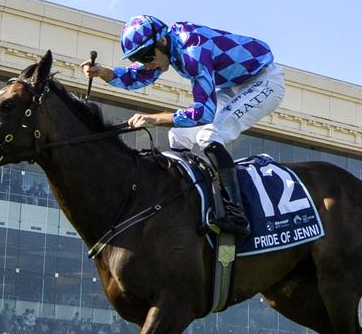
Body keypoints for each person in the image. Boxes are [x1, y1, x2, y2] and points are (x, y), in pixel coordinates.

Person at [80, 15, 285, 236]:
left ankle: (237, 214)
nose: (146, 62)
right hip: (233, 85)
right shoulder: (168, 46)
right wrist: (103, 72)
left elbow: (203, 113)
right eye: (138, 57)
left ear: (163, 42)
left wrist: (154, 118)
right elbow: (137, 76)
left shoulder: (192, 49)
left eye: (146, 55)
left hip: (264, 82)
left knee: (209, 136)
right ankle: (184, 203)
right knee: (178, 137)